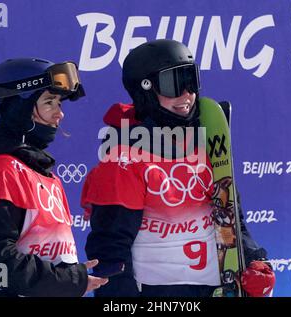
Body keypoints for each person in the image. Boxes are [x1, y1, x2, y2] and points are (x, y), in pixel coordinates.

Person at [81, 40, 275, 297]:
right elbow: (110, 251)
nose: (186, 95)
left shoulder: (204, 146)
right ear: (146, 91)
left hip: (212, 290)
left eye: (190, 81)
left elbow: (231, 219)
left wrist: (253, 261)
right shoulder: (123, 162)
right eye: (173, 84)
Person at [0, 57, 108, 297]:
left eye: (60, 103)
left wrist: (70, 280)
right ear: (19, 108)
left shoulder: (42, 174)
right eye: (49, 102)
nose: (60, 114)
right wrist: (69, 280)